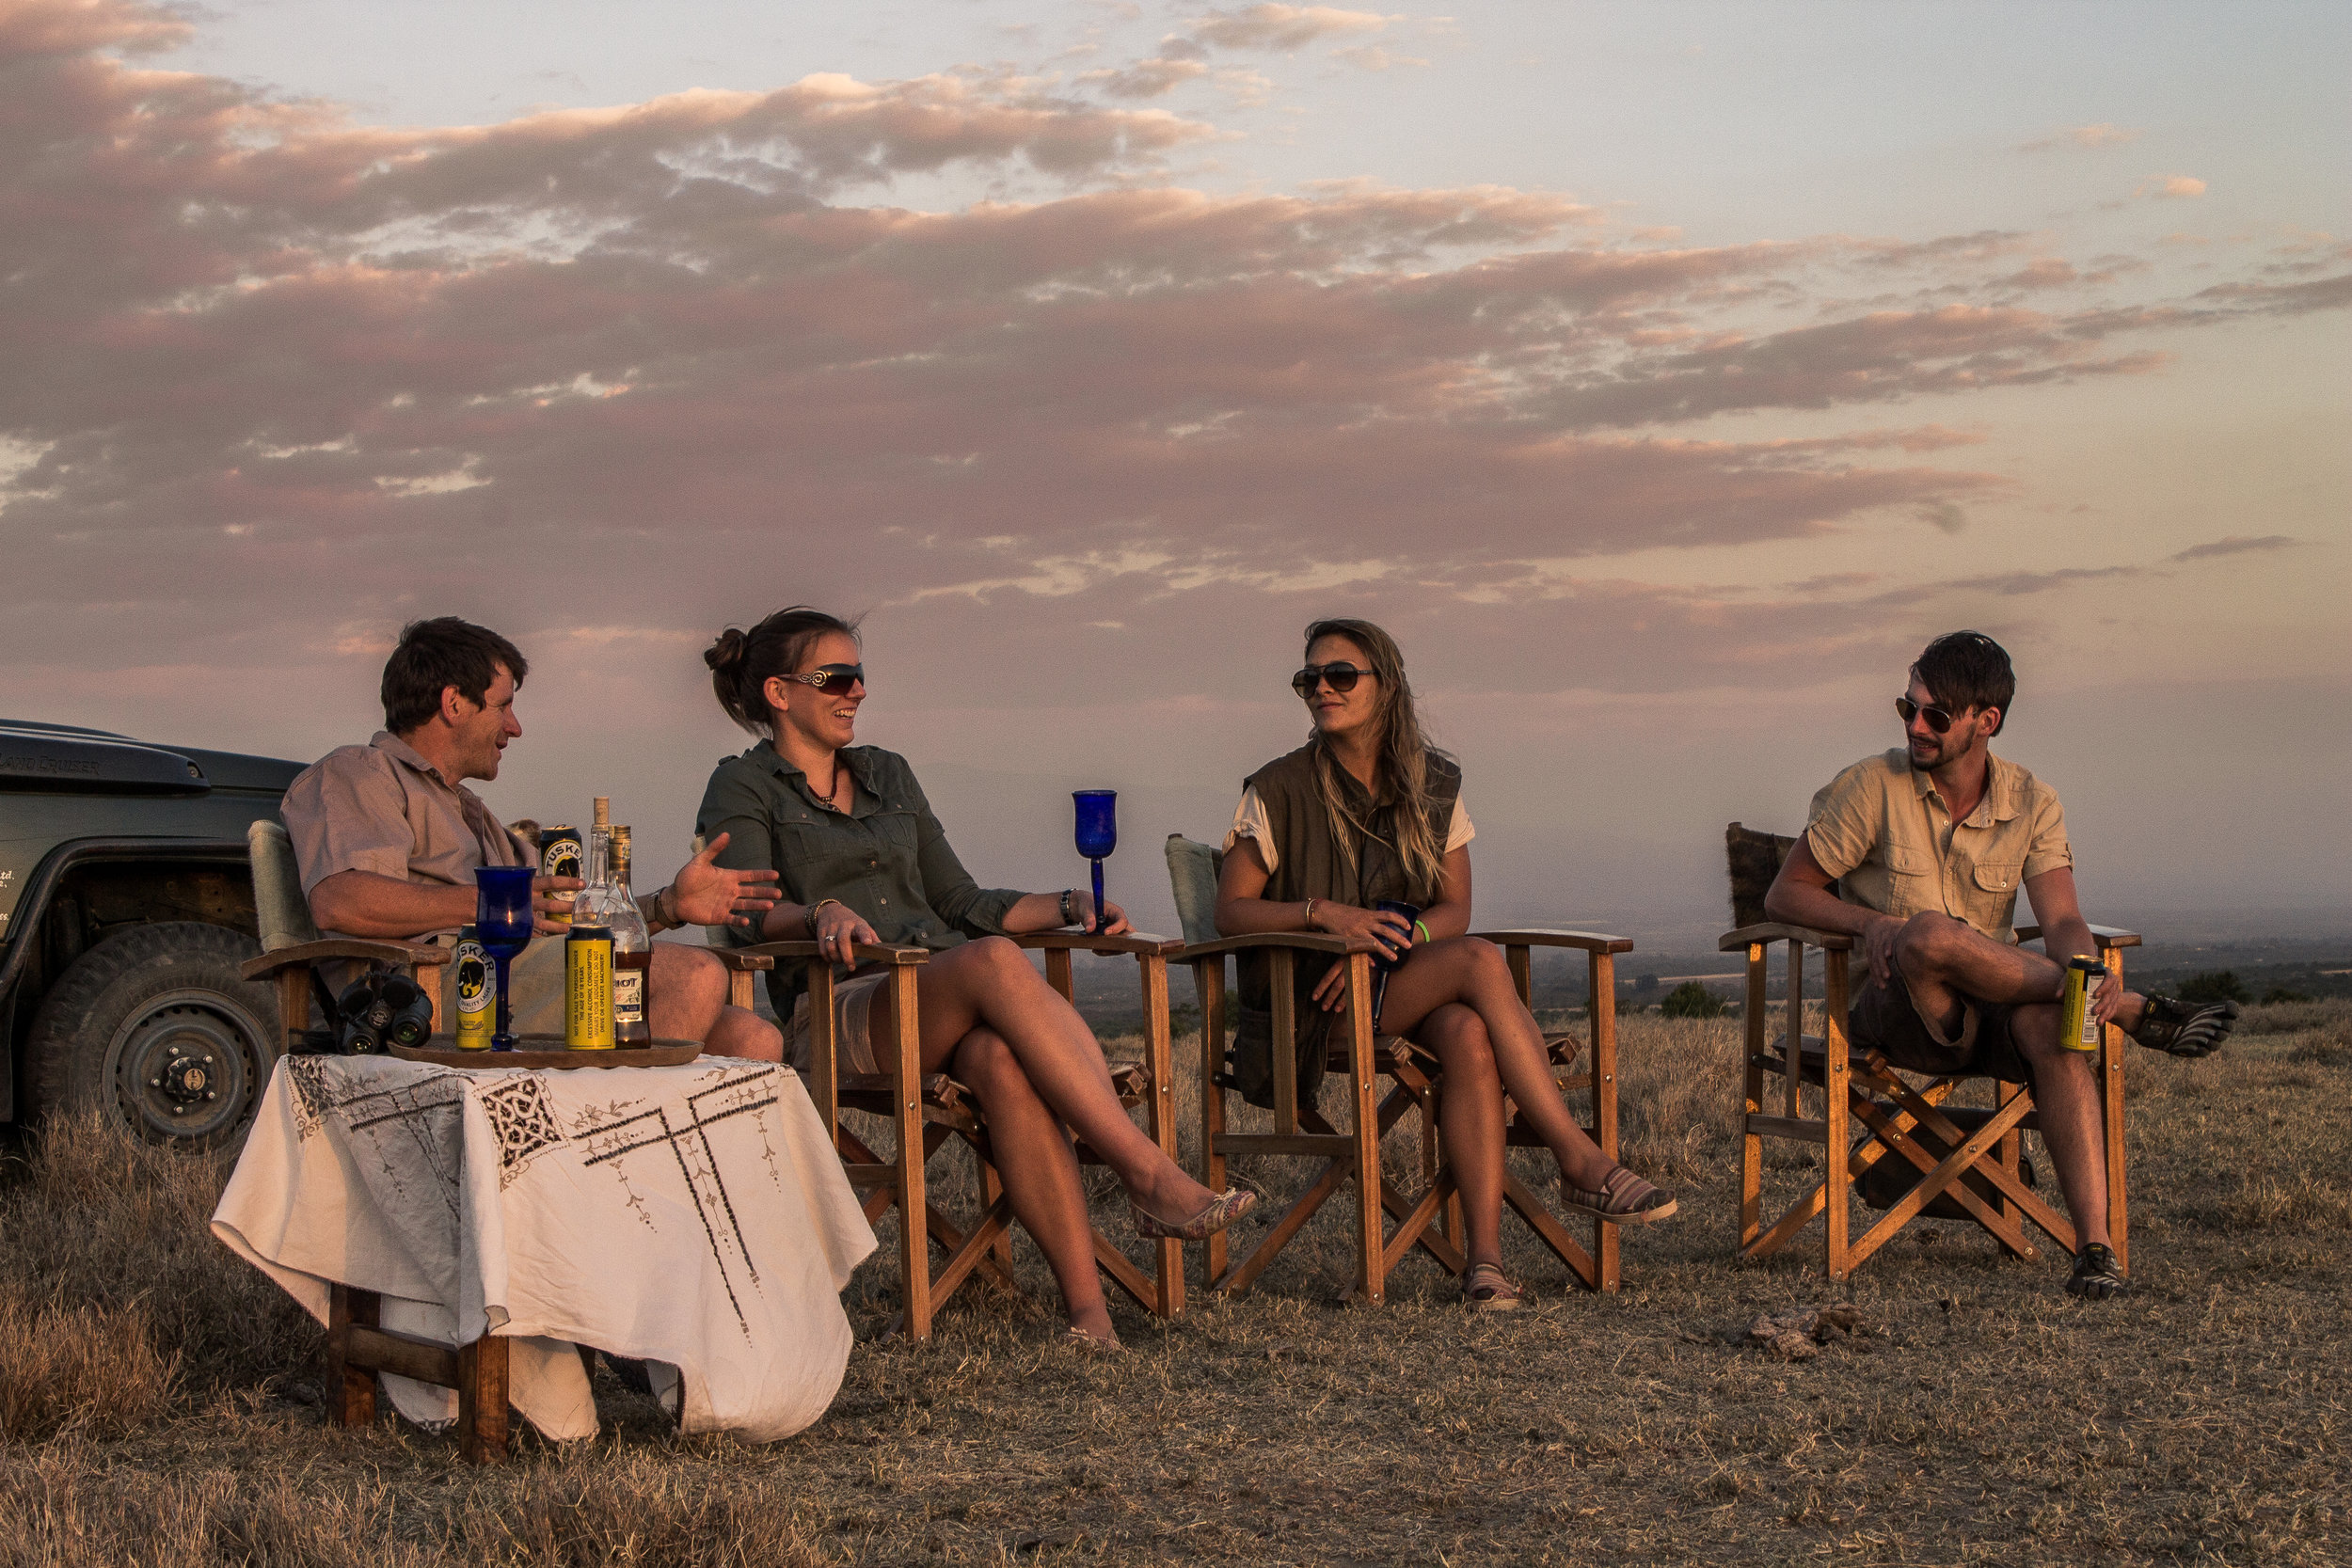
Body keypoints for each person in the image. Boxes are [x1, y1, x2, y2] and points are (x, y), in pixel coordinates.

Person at [694, 607, 1253, 1347]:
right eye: (835, 677)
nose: (856, 691)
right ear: (778, 691)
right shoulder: (744, 784)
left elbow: (960, 900)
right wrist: (818, 912)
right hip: (841, 1008)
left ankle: (1089, 1317)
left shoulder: (887, 774)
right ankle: (1147, 1174)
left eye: (861, 676)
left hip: (939, 995)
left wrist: (1067, 901)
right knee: (990, 959)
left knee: (998, 1060)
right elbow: (742, 908)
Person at [1215, 618, 1677, 1312]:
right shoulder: (1277, 789)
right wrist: (1325, 917)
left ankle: (1484, 1266)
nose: (1321, 689)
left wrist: (1395, 941)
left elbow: (1453, 906)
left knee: (1466, 1033)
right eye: (1309, 677)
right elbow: (1230, 911)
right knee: (1482, 961)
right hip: (1309, 1002)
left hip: (1390, 986)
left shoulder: (1431, 784)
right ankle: (1576, 1156)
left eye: (1341, 675)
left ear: (1387, 685)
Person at [1764, 630, 2239, 1301]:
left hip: (1989, 1007)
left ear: (1986, 721)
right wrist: (1871, 923)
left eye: (1935, 713)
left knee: (2054, 1031)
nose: (1914, 725)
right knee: (1929, 934)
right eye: (1908, 706)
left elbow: (2065, 919)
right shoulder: (1871, 785)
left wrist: (2082, 960)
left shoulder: (2032, 800)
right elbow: (1785, 893)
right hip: (1896, 1009)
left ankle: (2095, 1251)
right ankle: (2124, 1009)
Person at [283, 617, 783, 1056]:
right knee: (693, 976)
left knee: (752, 1039)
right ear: (453, 703)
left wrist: (666, 906)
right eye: (503, 707)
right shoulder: (360, 773)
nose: (515, 727)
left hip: (513, 978)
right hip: (432, 992)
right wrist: (490, 904)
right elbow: (340, 901)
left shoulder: (470, 812)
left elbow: (558, 916)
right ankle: (610, 1145)